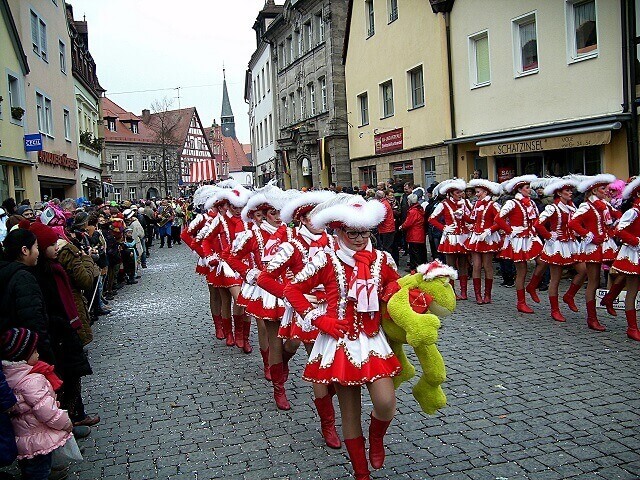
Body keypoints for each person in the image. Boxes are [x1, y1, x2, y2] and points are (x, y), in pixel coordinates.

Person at [283, 194, 402, 480]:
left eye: (364, 232)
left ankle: (376, 439)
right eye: (353, 233)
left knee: (386, 402)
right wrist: (319, 318)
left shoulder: (382, 259)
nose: (360, 239)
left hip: (372, 340)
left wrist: (396, 294)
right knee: (350, 414)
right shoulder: (325, 259)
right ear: (338, 231)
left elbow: (395, 287)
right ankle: (361, 474)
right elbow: (291, 290)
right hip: (339, 343)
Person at [257, 190, 342, 447]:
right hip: (306, 312)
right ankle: (327, 423)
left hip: (335, 311)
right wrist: (291, 296)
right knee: (316, 363)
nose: (319, 221)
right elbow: (265, 277)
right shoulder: (292, 246)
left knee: (333, 365)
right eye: (312, 216)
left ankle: (283, 361)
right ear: (302, 220)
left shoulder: (335, 243)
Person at [2, 328, 74, 480]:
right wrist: (65, 423)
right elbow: (47, 410)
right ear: (23, 356)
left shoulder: (9, 375)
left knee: (29, 469)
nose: (38, 354)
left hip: (22, 438)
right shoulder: (32, 381)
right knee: (40, 471)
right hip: (37, 438)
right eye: (35, 352)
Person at [569, 174, 620, 331]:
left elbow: (618, 215)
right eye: (603, 189)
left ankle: (609, 298)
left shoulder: (605, 205)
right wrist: (589, 235)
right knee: (594, 281)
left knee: (621, 270)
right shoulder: (586, 206)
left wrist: (617, 224)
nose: (606, 191)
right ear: (594, 190)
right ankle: (592, 318)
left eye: (606, 188)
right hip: (593, 247)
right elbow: (573, 223)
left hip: (607, 244)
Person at [532, 178, 586, 322]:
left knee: (583, 271)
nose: (570, 193)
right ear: (559, 193)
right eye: (567, 191)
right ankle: (555, 310)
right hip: (557, 246)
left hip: (572, 244)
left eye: (570, 190)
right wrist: (550, 235)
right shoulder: (552, 208)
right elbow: (538, 224)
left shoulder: (572, 207)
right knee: (555, 278)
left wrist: (577, 233)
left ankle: (569, 296)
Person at [0, 229, 55, 363]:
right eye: (36, 247)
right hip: (29, 353)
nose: (38, 252)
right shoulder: (23, 278)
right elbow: (33, 319)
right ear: (25, 250)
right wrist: (47, 355)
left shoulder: (6, 272)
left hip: (12, 351)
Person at [494, 175, 544, 313]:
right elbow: (498, 218)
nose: (530, 190)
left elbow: (536, 220)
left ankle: (532, 286)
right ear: (520, 189)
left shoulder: (532, 203)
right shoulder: (512, 203)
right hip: (518, 240)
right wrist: (510, 230)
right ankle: (521, 302)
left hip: (531, 237)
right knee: (521, 271)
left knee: (543, 261)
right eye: (527, 188)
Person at [607, 177, 640, 340]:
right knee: (632, 289)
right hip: (633, 252)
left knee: (630, 283)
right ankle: (632, 327)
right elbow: (618, 230)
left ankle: (610, 297)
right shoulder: (633, 211)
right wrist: (636, 241)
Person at [428, 179, 470, 299]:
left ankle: (464, 292)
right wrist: (444, 228)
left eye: (461, 192)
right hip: (451, 237)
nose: (460, 194)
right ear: (451, 193)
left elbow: (472, 219)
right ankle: (452, 292)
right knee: (451, 266)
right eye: (457, 192)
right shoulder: (444, 204)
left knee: (463, 264)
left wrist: (464, 216)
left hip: (463, 237)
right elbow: (431, 219)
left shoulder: (465, 203)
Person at [464, 179, 503, 304]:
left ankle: (487, 294)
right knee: (476, 265)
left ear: (486, 192)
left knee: (487, 266)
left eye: (478, 192)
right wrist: (462, 216)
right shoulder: (477, 204)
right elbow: (472, 220)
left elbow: (500, 222)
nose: (476, 194)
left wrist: (489, 231)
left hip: (487, 238)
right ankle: (477, 295)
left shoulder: (493, 205)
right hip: (476, 237)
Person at [399, 194, 427, 273]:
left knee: (414, 252)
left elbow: (408, 223)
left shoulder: (413, 211)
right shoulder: (419, 209)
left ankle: (415, 268)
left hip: (414, 234)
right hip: (419, 233)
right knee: (419, 251)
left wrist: (401, 226)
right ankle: (417, 267)